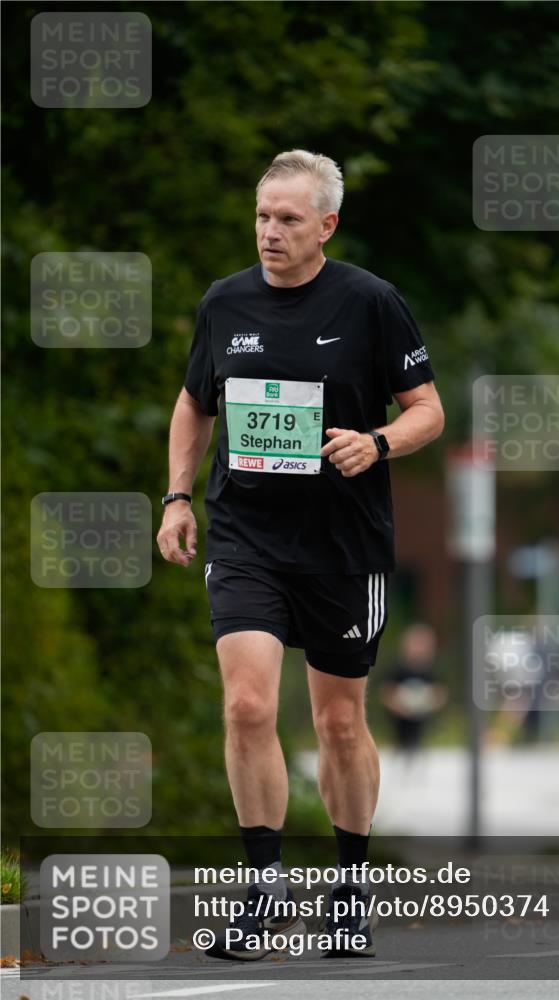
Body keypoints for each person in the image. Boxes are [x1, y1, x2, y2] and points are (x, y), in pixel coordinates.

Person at [156, 150, 444, 960]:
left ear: (326, 224)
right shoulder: (224, 303)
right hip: (247, 537)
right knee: (246, 706)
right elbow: (192, 402)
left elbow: (428, 409)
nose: (269, 232)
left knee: (339, 722)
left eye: (287, 219)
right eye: (261, 216)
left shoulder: (370, 303)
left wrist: (378, 441)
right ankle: (264, 888)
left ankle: (349, 889)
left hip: (342, 547)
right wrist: (177, 497)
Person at [380, 623, 447, 763]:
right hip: (400, 718)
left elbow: (440, 693)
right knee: (401, 741)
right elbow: (387, 691)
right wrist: (397, 705)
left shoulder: (431, 670)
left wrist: (429, 703)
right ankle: (401, 756)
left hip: (422, 718)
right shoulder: (397, 668)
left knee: (419, 741)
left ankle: (418, 756)